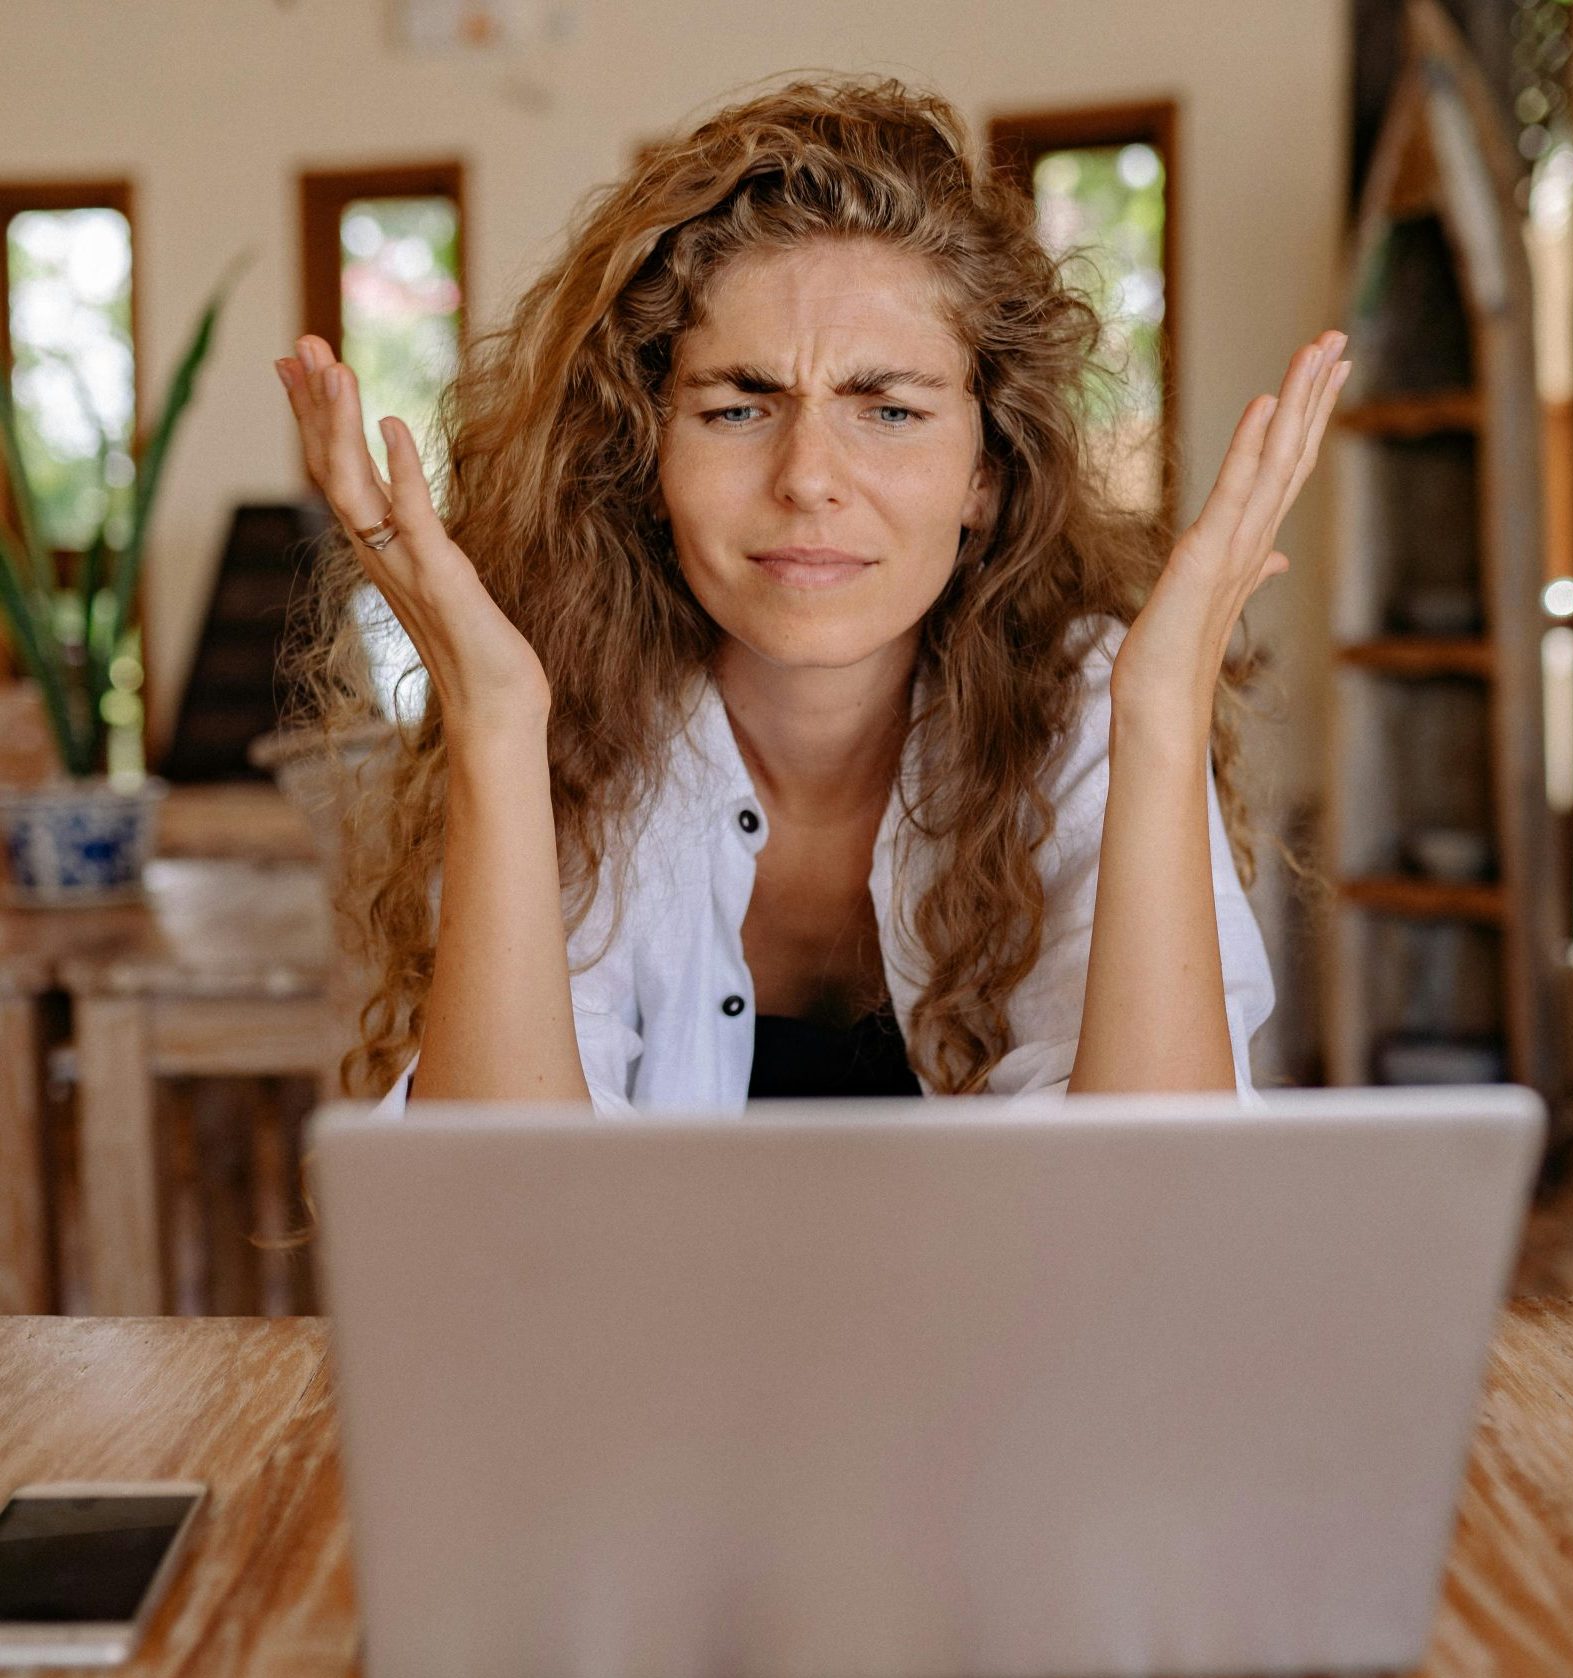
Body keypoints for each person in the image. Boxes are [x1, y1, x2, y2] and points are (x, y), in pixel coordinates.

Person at [277, 75, 1348, 1114]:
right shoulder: (571, 717)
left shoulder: (1081, 702)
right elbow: (497, 1229)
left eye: (887, 410)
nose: (808, 477)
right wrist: (498, 726)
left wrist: (1159, 714)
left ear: (986, 472)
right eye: (740, 408)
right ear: (646, 459)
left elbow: (1155, 1219)